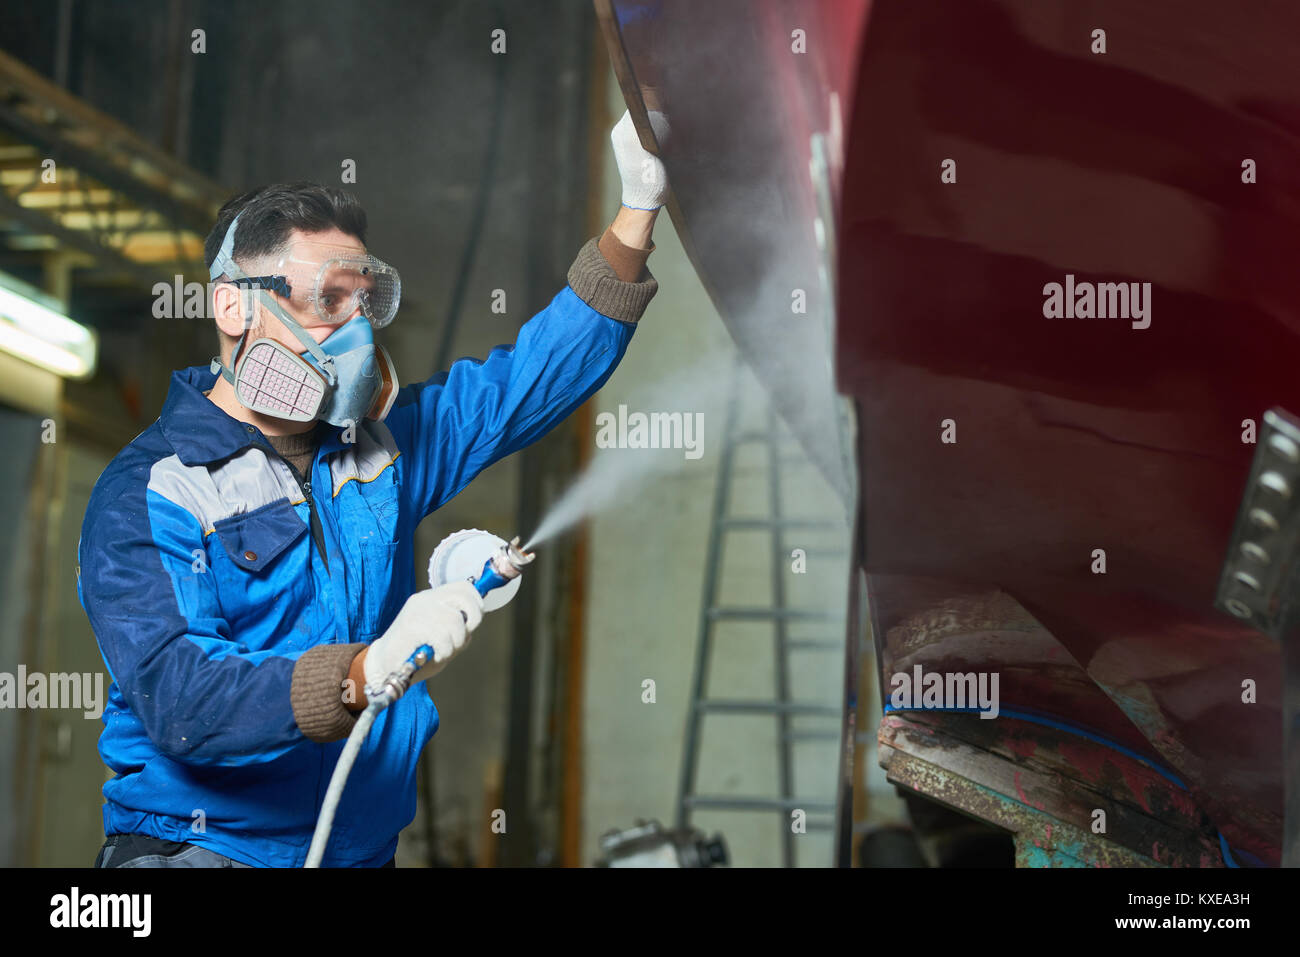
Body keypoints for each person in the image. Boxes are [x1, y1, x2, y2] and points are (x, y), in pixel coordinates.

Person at [80, 110, 668, 867]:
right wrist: (363, 672)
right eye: (329, 300)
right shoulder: (151, 492)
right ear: (234, 305)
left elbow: (522, 384)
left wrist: (637, 211)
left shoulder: (376, 452)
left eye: (365, 303)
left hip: (358, 851)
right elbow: (180, 695)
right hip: (204, 851)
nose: (357, 333)